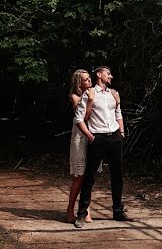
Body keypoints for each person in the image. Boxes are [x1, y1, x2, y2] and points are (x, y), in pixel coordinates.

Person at [72, 65, 130, 228]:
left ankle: (118, 212)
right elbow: (79, 119)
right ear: (99, 74)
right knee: (89, 177)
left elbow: (118, 113)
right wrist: (90, 136)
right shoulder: (90, 94)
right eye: (108, 74)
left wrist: (122, 133)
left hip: (114, 137)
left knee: (117, 175)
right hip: (97, 138)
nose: (111, 77)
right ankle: (82, 214)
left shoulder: (113, 94)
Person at [66, 69, 98, 223]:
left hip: (93, 134)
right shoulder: (75, 97)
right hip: (80, 135)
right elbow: (85, 116)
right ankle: (70, 209)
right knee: (79, 176)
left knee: (90, 175)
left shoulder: (94, 93)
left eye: (89, 78)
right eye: (85, 79)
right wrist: (90, 101)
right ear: (79, 82)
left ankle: (85, 209)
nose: (89, 81)